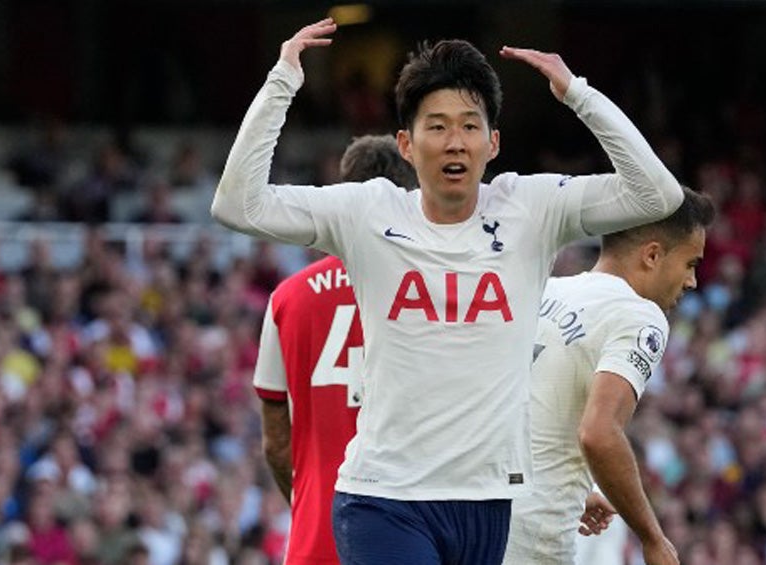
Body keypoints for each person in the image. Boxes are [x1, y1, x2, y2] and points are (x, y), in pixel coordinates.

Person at [211, 18, 683, 564]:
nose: (455, 141)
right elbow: (236, 205)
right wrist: (282, 82)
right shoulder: (368, 211)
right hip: (384, 498)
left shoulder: (531, 208)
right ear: (406, 145)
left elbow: (658, 195)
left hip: (486, 502)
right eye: (436, 126)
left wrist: (578, 95)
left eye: (469, 125)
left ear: (493, 142)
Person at [503, 187, 714, 565]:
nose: (691, 282)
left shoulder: (548, 290)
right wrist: (652, 537)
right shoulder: (640, 315)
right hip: (534, 536)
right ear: (652, 255)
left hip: (481, 518)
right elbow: (599, 433)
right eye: (691, 264)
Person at [254, 134, 416, 565]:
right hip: (407, 536)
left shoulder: (288, 298)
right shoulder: (430, 291)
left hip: (316, 539)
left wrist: (308, 503)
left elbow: (274, 442)